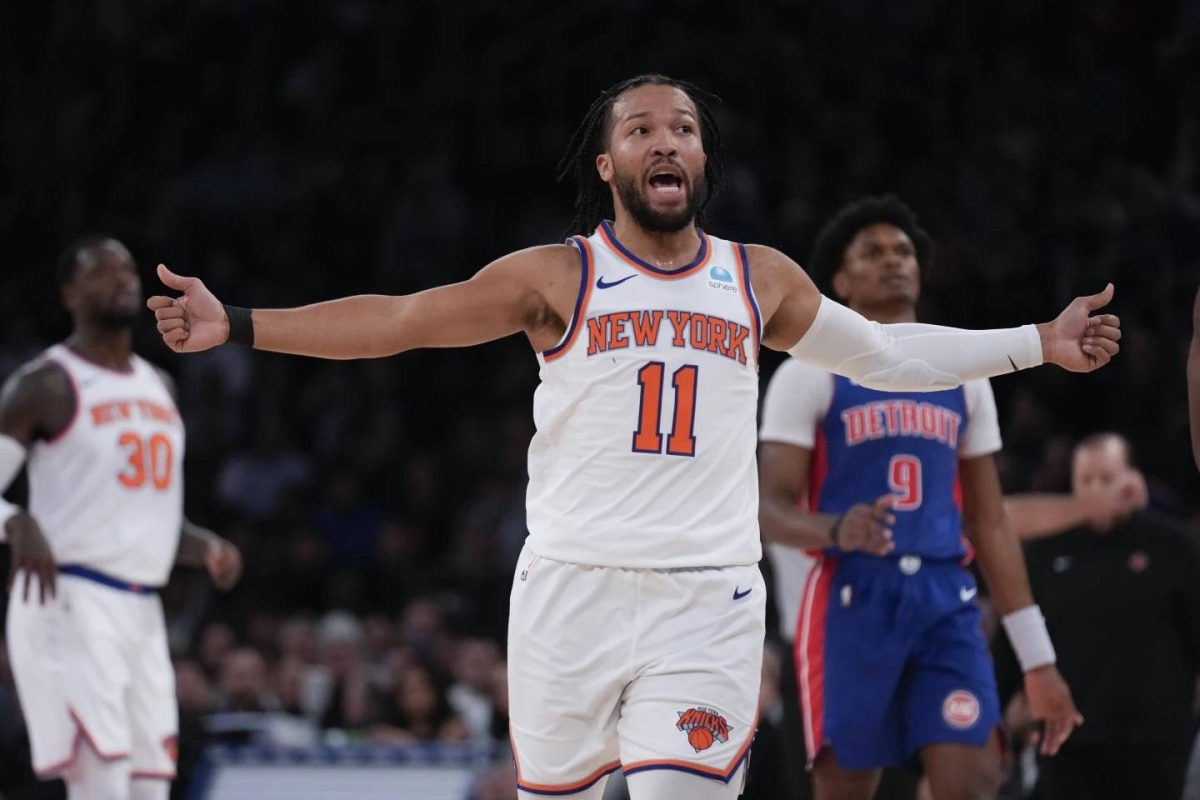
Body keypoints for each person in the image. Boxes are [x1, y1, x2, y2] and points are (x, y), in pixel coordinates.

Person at [147, 75, 1120, 800]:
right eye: (643, 128)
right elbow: (400, 319)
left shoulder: (759, 277)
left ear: (702, 162)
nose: (668, 139)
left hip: (707, 597)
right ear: (610, 165)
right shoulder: (558, 275)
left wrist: (1039, 340)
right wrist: (236, 319)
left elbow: (884, 354)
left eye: (686, 128)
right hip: (570, 588)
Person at [758, 195, 1084, 800]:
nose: (893, 261)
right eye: (873, 252)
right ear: (840, 280)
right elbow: (766, 510)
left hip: (942, 596)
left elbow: (989, 524)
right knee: (847, 787)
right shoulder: (805, 371)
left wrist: (1037, 660)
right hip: (849, 596)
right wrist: (834, 530)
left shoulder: (967, 375)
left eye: (904, 251)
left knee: (975, 778)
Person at [0, 236, 243, 800]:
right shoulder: (44, 384)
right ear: (69, 294)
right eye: (101, 272)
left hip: (140, 609)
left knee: (149, 788)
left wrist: (203, 546)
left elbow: (148, 516)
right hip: (70, 599)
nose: (122, 279)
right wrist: (14, 520)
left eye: (128, 270)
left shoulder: (160, 386)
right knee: (101, 786)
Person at [995, 433, 1200, 800]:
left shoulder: (1174, 547)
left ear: (1133, 480)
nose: (1096, 491)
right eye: (1086, 481)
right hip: (1066, 742)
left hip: (1154, 745)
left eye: (1107, 479)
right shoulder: (1045, 553)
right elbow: (1014, 642)